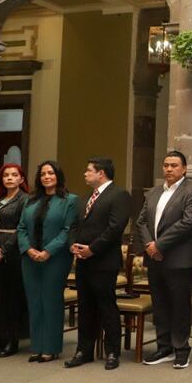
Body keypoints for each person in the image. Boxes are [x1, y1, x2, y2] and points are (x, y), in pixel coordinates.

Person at [136, 150, 192, 369]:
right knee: (161, 304)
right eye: (166, 165)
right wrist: (149, 245)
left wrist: (159, 245)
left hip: (179, 259)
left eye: (174, 165)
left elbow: (188, 223)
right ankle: (164, 347)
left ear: (184, 169)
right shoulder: (154, 192)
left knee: (180, 305)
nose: (169, 169)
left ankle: (181, 349)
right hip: (154, 258)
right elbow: (141, 221)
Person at [65, 157, 131, 371]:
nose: (85, 173)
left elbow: (115, 228)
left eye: (89, 170)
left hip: (103, 260)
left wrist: (92, 249)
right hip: (83, 260)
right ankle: (84, 351)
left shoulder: (119, 195)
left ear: (101, 173)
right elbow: (74, 225)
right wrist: (73, 245)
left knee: (106, 306)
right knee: (86, 306)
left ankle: (112, 352)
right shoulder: (85, 198)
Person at [18, 161, 78, 363]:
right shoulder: (30, 200)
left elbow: (68, 230)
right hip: (30, 258)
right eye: (43, 173)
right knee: (34, 301)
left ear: (58, 176)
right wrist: (29, 249)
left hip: (56, 258)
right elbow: (21, 229)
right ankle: (37, 346)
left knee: (51, 301)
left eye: (50, 173)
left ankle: (51, 347)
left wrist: (48, 251)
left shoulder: (70, 200)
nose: (46, 177)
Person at [0, 163, 30, 358]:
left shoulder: (25, 200)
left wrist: (3, 250)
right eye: (5, 175)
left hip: (13, 254)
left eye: (13, 175)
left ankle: (11, 340)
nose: (9, 178)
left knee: (11, 298)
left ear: (21, 179)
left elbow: (22, 228)